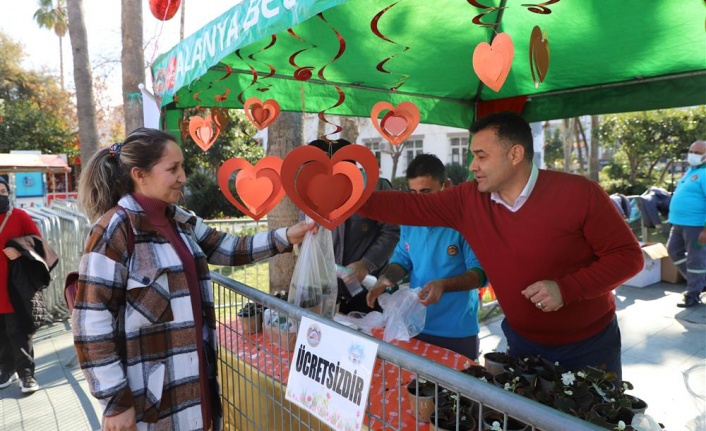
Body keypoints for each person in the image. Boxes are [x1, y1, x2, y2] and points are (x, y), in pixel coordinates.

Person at [357, 111, 644, 380]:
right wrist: (347, 198)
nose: (472, 165)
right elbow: (409, 207)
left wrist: (567, 289)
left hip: (588, 345)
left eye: (481, 156)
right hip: (521, 342)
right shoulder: (468, 199)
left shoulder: (579, 193)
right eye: (472, 155)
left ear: (515, 154)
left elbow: (628, 257)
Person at [73, 128, 314, 431]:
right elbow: (90, 323)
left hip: (195, 383)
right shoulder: (115, 230)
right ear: (140, 174)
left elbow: (229, 248)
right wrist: (115, 401)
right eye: (172, 169)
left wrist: (286, 236)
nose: (183, 177)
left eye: (182, 166)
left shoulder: (180, 220)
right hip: (150, 400)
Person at [365, 154, 486, 359]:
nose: (419, 201)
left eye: (426, 192)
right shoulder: (410, 220)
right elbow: (402, 258)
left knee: (457, 389)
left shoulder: (465, 222)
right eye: (413, 193)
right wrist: (385, 279)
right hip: (415, 325)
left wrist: (443, 285)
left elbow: (479, 274)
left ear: (446, 186)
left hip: (456, 330)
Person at [307, 139, 399, 314]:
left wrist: (366, 264)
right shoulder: (311, 193)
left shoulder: (377, 188)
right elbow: (307, 231)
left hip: (369, 289)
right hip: (327, 290)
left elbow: (392, 230)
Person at [0, 176, 43, 394]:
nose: (1, 195)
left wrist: (19, 251)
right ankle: (4, 371)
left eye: (3, 191)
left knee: (18, 331)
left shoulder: (19, 216)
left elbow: (38, 242)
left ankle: (27, 376)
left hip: (13, 287)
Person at [667, 140, 706, 308]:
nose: (693, 155)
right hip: (678, 223)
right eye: (692, 151)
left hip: (696, 225)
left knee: (695, 259)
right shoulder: (691, 171)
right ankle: (700, 281)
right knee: (673, 251)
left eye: (698, 153)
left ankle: (693, 293)